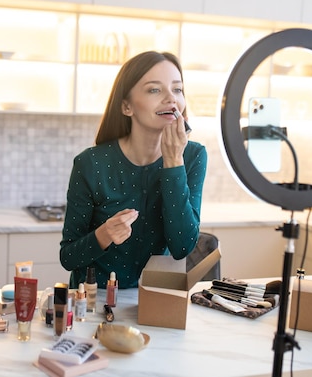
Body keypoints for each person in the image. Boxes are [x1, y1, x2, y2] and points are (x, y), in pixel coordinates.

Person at [60, 51, 207, 289]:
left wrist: (173, 163)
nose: (171, 98)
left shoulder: (193, 156)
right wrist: (104, 234)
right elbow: (68, 258)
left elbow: (182, 247)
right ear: (127, 106)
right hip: (94, 302)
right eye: (154, 90)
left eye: (177, 89)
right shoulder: (90, 163)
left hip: (157, 300)